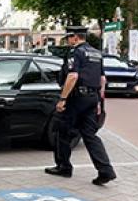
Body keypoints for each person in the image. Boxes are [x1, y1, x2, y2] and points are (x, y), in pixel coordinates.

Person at [46, 26, 117, 186]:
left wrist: (63, 99)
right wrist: (99, 101)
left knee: (62, 131)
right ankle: (106, 170)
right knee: (90, 135)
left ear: (75, 37)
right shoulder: (97, 53)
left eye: (68, 37)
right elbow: (102, 79)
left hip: (76, 98)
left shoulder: (75, 52)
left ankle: (64, 167)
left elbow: (72, 76)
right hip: (92, 97)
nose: (68, 41)